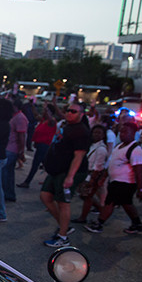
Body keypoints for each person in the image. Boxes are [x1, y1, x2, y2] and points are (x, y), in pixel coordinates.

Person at [40, 101, 90, 247]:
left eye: (74, 111)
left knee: (63, 203)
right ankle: (64, 226)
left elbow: (79, 156)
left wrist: (70, 177)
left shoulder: (81, 131)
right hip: (56, 170)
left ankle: (63, 237)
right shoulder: (67, 126)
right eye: (68, 110)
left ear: (81, 114)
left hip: (67, 172)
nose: (69, 113)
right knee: (45, 196)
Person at [85, 120, 142, 235]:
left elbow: (138, 171)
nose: (122, 134)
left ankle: (99, 223)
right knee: (126, 203)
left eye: (125, 132)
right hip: (115, 181)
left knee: (110, 202)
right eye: (121, 132)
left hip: (125, 182)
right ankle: (137, 224)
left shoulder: (136, 150)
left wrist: (141, 189)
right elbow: (112, 163)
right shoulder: (119, 146)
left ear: (133, 133)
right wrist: (104, 176)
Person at [71, 125, 109, 224]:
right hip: (87, 173)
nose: (96, 135)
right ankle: (102, 211)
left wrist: (92, 180)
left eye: (99, 133)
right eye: (94, 132)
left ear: (103, 135)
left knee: (87, 197)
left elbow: (98, 167)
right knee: (85, 196)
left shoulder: (101, 149)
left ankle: (83, 217)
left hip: (92, 175)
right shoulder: (92, 145)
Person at [18, 105, 57, 188]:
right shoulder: (43, 120)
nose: (43, 112)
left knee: (36, 164)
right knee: (45, 164)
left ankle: (27, 182)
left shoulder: (52, 121)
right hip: (40, 145)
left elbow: (50, 119)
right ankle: (55, 180)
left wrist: (47, 110)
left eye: (45, 111)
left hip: (44, 145)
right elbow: (35, 114)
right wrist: (32, 105)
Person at [1, 98, 28, 201]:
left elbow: (22, 136)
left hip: (12, 149)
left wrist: (21, 151)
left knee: (6, 173)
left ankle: (7, 194)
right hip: (9, 147)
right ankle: (8, 193)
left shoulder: (20, 118)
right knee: (7, 173)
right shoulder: (15, 117)